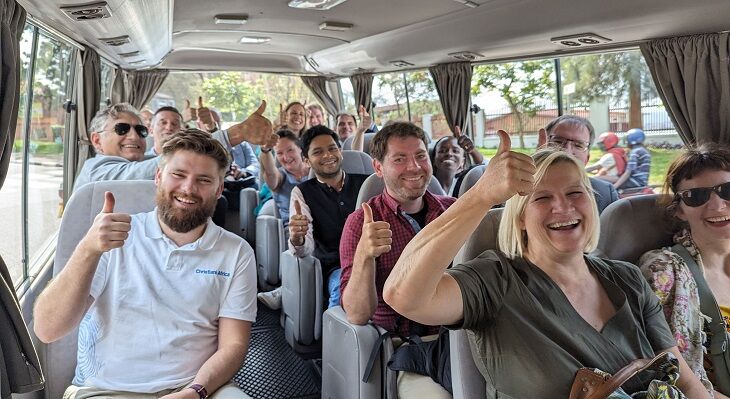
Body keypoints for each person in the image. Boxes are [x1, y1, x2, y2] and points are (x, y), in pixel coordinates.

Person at [382, 134, 711, 398]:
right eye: (542, 198)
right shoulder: (494, 280)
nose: (563, 207)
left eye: (575, 192)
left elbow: (683, 379)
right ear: (521, 217)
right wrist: (481, 196)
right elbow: (403, 296)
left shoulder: (627, 279)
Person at [34, 129, 257, 399]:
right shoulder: (112, 237)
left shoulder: (236, 252)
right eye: (178, 175)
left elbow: (233, 344)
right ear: (159, 176)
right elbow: (47, 329)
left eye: (203, 180)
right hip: (106, 390)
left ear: (219, 189)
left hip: (198, 387)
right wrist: (88, 249)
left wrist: (195, 391)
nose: (188, 188)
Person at [340, 122, 455, 398]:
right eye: (400, 159)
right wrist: (366, 255)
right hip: (406, 348)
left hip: (460, 338)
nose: (414, 167)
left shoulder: (452, 211)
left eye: (420, 156)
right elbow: (357, 313)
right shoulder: (360, 223)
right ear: (378, 168)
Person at [639, 144, 730, 398]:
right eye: (697, 196)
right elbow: (667, 369)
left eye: (727, 191)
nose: (718, 206)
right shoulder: (664, 271)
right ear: (679, 209)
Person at [258, 126, 369, 310]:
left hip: (377, 262)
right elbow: (304, 249)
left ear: (340, 152)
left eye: (332, 148)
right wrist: (297, 238)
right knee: (346, 294)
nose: (328, 155)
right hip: (339, 268)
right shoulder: (302, 192)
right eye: (318, 152)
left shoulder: (366, 182)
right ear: (307, 160)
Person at [73, 102, 274, 192]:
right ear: (97, 141)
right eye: (122, 129)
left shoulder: (148, 162)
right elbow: (145, 172)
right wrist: (235, 134)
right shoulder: (95, 170)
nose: (133, 135)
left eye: (140, 130)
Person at [540, 114, 619, 213]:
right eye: (558, 141)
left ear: (587, 158)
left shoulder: (605, 194)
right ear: (542, 147)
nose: (567, 151)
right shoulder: (522, 190)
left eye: (578, 145)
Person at [257, 129, 309, 225]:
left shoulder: (314, 171)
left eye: (290, 150)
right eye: (280, 153)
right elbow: (270, 173)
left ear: (300, 148)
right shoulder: (280, 176)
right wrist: (265, 150)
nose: (286, 157)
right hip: (293, 230)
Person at [431, 126, 484, 196]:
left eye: (455, 151)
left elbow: (484, 169)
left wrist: (472, 151)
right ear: (434, 160)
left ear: (462, 162)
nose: (449, 154)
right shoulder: (428, 186)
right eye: (442, 151)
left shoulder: (467, 182)